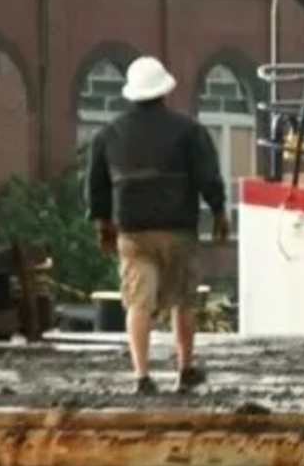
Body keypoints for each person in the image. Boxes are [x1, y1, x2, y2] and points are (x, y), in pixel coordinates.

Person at [85, 55, 230, 395]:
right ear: (165, 91)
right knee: (182, 301)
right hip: (178, 227)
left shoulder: (108, 135)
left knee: (138, 303)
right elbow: (207, 175)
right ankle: (185, 369)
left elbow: (97, 187)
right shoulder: (189, 130)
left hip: (132, 231)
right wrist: (220, 211)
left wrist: (103, 225)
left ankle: (141, 376)